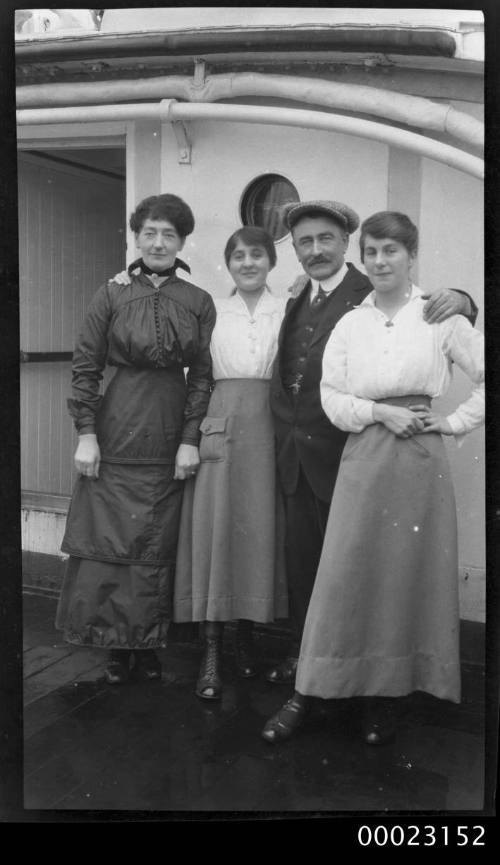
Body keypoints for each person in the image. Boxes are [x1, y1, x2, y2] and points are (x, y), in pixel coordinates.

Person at [262, 210, 484, 743]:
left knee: (401, 578)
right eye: (373, 253)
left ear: (411, 255)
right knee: (344, 576)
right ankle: (316, 687)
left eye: (391, 251)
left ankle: (385, 696)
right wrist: (381, 413)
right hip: (363, 453)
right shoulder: (351, 322)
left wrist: (452, 422)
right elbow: (333, 399)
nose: (381, 261)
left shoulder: (440, 316)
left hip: (420, 462)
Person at [55, 194, 216, 685]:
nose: (159, 242)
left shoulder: (198, 300)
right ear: (136, 237)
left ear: (182, 241)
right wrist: (86, 434)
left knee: (155, 542)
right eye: (150, 232)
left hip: (168, 432)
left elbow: (203, 378)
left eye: (169, 234)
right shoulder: (110, 294)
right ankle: (113, 647)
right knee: (109, 539)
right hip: (115, 427)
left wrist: (190, 439)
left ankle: (147, 645)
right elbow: (85, 368)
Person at [174, 226, 288, 699]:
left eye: (257, 255)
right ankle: (212, 650)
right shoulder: (209, 310)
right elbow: (194, 371)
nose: (248, 263)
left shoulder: (289, 309)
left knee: (257, 532)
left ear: (270, 262)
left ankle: (246, 640)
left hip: (268, 427)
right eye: (238, 255)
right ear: (228, 263)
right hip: (220, 423)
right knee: (216, 532)